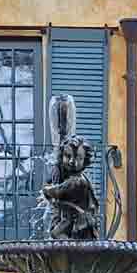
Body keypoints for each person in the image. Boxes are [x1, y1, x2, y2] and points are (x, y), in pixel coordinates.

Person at [41, 93, 100, 240]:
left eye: (78, 158)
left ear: (85, 161)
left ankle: (67, 252)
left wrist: (47, 189)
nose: (72, 161)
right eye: (68, 156)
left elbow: (56, 191)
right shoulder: (61, 172)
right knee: (57, 233)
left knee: (57, 234)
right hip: (71, 217)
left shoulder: (77, 180)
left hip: (81, 221)